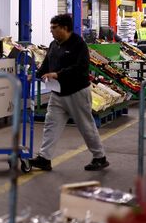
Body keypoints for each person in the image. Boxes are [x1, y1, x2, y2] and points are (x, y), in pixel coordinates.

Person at [30, 13, 109, 172]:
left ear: (65, 28)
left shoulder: (78, 44)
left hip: (77, 92)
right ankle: (44, 158)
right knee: (51, 125)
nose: (51, 31)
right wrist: (34, 75)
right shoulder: (54, 45)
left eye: (54, 28)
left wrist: (58, 74)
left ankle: (99, 157)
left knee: (85, 125)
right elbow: (46, 66)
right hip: (57, 93)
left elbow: (80, 68)